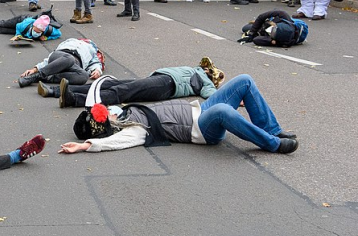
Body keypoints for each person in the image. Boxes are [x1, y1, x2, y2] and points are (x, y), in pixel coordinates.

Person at [59, 75, 299, 154]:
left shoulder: (124, 112)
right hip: (202, 128)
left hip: (200, 109)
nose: (109, 112)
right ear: (104, 125)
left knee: (243, 80)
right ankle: (274, 144)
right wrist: (87, 145)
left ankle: (271, 128)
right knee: (224, 111)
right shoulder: (133, 130)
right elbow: (114, 143)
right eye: (105, 115)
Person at [49, 57, 224, 106]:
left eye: (210, 70)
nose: (208, 68)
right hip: (158, 79)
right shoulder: (196, 69)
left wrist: (234, 98)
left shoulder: (206, 82)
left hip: (167, 86)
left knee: (122, 92)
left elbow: (212, 94)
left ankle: (74, 99)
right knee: (111, 83)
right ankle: (58, 91)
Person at [18, 37, 104, 88]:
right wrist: (34, 69)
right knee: (69, 58)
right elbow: (48, 60)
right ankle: (37, 76)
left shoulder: (92, 50)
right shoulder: (70, 41)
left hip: (74, 66)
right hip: (61, 56)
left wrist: (97, 70)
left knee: (84, 76)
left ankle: (46, 77)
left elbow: (96, 63)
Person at [238, 9, 308, 48]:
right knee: (247, 28)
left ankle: (260, 28)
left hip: (277, 35)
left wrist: (271, 41)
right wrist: (251, 33)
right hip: (274, 21)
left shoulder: (285, 42)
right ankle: (260, 26)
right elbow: (262, 16)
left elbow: (256, 40)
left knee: (247, 28)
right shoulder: (284, 16)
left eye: (270, 33)